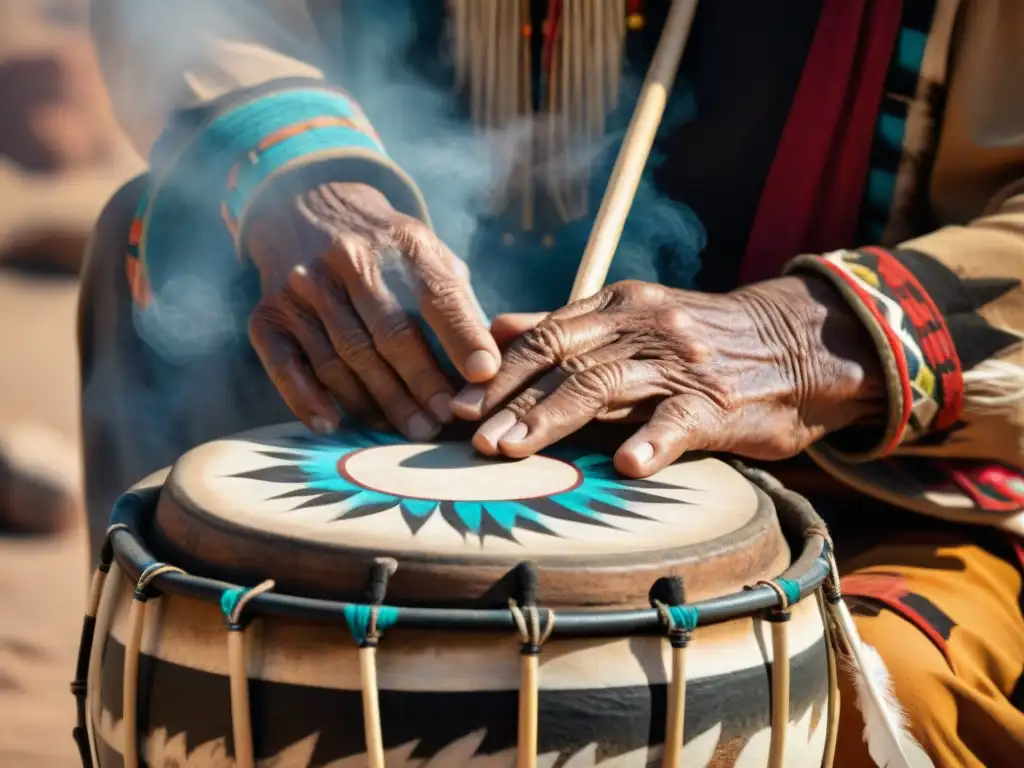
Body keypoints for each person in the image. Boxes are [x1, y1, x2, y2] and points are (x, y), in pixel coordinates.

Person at [83, 1, 1024, 765]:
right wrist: (296, 166)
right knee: (170, 254)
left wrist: (804, 339)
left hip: (880, 489)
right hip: (377, 429)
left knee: (865, 694)